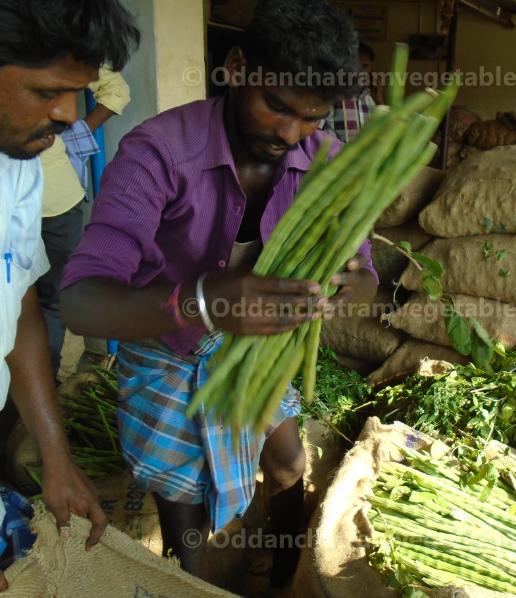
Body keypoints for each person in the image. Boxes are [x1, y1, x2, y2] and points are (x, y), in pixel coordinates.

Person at [60, 0, 378, 586]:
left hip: (262, 351)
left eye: (311, 117)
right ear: (236, 68)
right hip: (165, 343)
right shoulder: (158, 152)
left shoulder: (330, 167)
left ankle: (285, 574)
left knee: (286, 463)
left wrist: (337, 288)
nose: (289, 133)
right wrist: (203, 301)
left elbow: (363, 278)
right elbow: (82, 300)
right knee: (184, 494)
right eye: (275, 106)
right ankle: (197, 576)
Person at [0, 0, 138, 589]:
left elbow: (20, 297)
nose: (67, 115)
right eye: (46, 92)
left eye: (77, 92)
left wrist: (55, 456)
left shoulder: (21, 165)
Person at [37, 66, 131, 381]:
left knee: (49, 299)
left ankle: (48, 381)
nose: (66, 112)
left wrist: (79, 132)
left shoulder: (57, 40)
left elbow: (115, 89)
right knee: (42, 300)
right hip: (54, 201)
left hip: (58, 202)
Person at [321, 41, 377, 143]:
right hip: (334, 157)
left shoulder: (369, 98)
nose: (360, 72)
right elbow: (316, 134)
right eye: (355, 66)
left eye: (365, 66)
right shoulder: (332, 96)